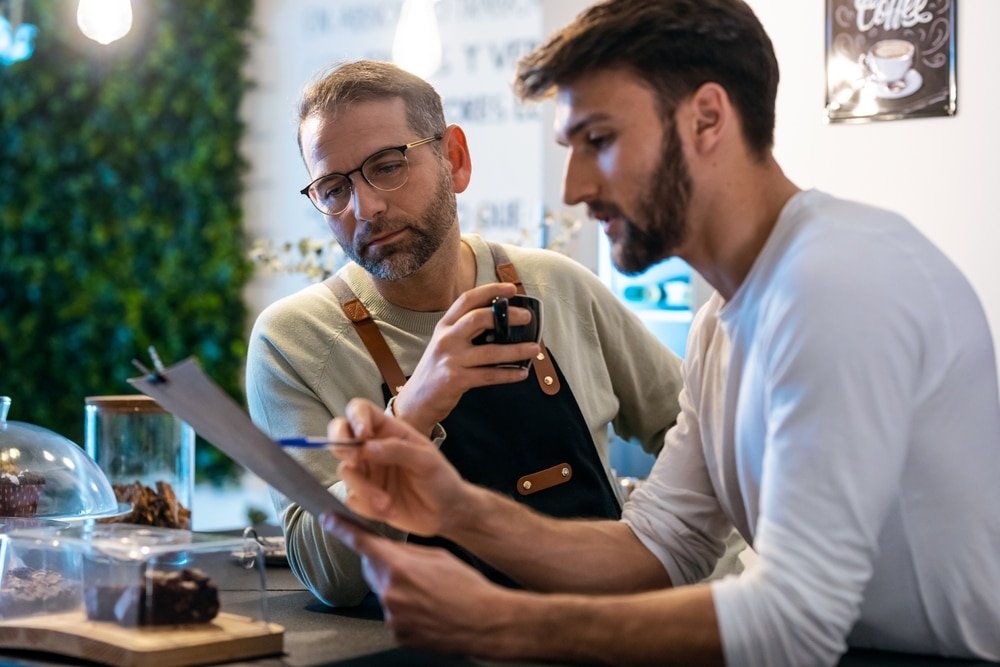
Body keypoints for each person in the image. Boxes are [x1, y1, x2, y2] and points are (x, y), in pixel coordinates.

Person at [320, 1, 1000, 665]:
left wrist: (503, 621)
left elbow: (797, 622)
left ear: (707, 118)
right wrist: (454, 506)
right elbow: (659, 545)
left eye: (601, 140)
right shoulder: (723, 321)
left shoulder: (835, 281)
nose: (575, 187)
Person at [245, 60, 717, 607]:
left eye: (387, 165)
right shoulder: (292, 341)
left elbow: (701, 438)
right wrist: (412, 414)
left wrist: (698, 586)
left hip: (608, 636)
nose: (365, 206)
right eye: (333, 188)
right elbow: (331, 578)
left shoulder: (555, 285)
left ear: (455, 159)